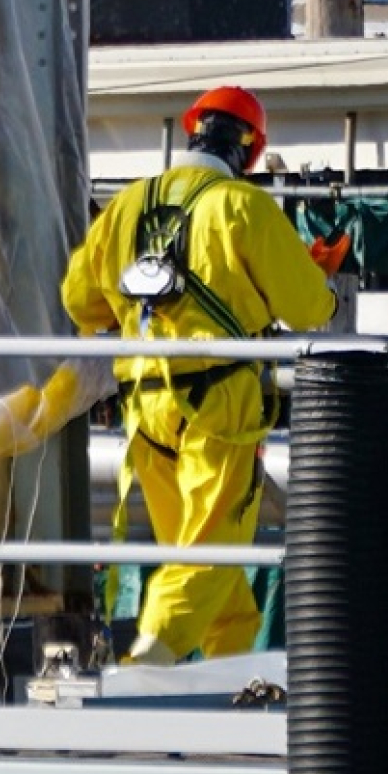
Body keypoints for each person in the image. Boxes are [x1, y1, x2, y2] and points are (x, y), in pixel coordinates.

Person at [60, 84, 337, 666]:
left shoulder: (127, 206)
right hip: (220, 407)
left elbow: (80, 301)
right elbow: (309, 310)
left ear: (192, 132)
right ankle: (145, 669)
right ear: (251, 150)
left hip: (145, 407)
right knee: (208, 552)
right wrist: (319, 280)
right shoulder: (243, 207)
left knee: (211, 568)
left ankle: (228, 676)